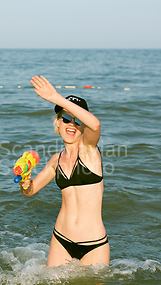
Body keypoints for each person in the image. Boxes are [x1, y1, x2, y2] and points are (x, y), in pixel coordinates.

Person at [19, 75, 109, 267]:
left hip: (93, 245)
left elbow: (96, 125)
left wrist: (56, 97)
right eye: (66, 118)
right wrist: (25, 183)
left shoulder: (90, 151)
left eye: (78, 121)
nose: (71, 124)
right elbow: (30, 192)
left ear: (83, 127)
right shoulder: (55, 161)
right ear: (58, 122)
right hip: (60, 240)